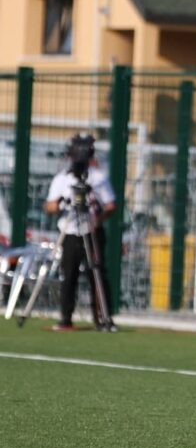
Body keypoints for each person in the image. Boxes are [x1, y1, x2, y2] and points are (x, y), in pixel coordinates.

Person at [44, 132, 117, 332]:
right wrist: (61, 204)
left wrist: (97, 220)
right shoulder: (62, 179)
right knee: (69, 275)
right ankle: (66, 317)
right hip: (69, 232)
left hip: (92, 232)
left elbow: (110, 204)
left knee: (97, 273)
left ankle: (103, 318)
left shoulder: (98, 178)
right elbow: (50, 205)